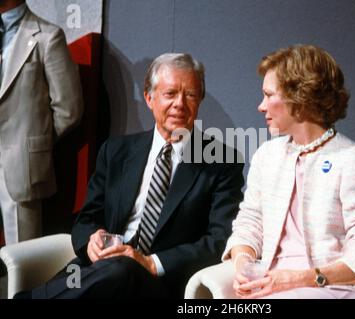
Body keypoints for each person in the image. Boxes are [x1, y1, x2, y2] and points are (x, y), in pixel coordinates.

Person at [24, 52, 244, 298]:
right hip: (98, 270)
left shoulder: (222, 161)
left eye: (190, 95)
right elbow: (87, 218)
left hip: (161, 282)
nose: (180, 104)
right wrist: (92, 241)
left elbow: (218, 240)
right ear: (149, 98)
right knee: (100, 273)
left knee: (120, 270)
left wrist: (150, 262)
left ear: (199, 101)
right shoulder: (116, 151)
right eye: (170, 94)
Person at [223, 44, 355, 299]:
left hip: (332, 288)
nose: (261, 106)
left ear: (300, 98)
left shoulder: (354, 161)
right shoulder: (267, 156)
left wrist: (302, 279)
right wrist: (243, 265)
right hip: (273, 285)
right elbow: (249, 223)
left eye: (269, 95)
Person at [0, 0, 83, 245]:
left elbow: (69, 109)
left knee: (21, 265)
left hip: (19, 168)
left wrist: (32, 145)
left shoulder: (48, 36)